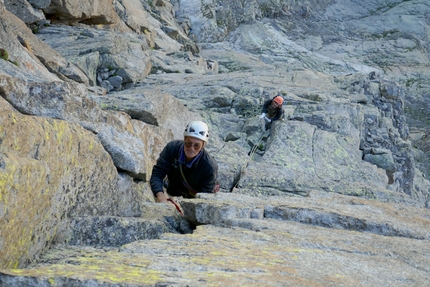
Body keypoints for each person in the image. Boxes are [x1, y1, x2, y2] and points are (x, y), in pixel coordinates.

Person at [150, 121, 219, 204]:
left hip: (195, 196)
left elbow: (204, 199)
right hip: (173, 189)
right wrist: (161, 198)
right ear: (184, 139)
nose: (191, 148)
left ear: (203, 145)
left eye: (196, 145)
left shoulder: (209, 167)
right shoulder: (172, 149)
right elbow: (157, 174)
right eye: (188, 143)